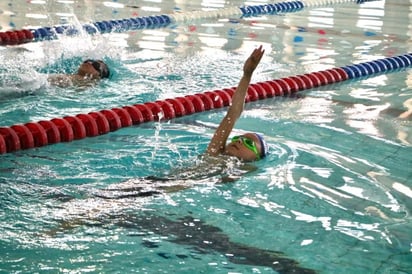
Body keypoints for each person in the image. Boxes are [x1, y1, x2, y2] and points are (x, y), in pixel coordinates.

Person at [206, 45, 268, 162]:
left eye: (249, 143)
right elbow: (233, 113)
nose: (239, 141)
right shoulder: (215, 153)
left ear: (256, 158)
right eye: (237, 138)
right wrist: (247, 75)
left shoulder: (247, 172)